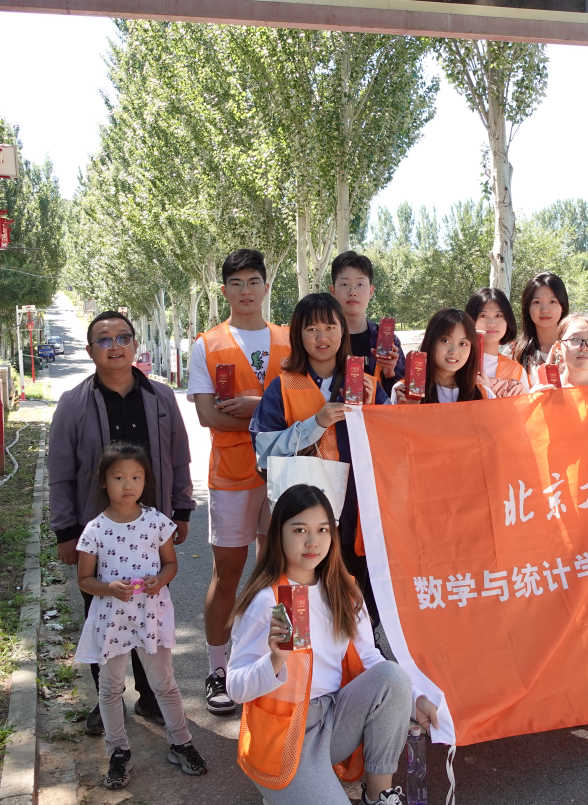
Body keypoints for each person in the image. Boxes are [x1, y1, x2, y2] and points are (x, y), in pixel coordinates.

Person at [227, 484, 436, 805]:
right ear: (278, 534)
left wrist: (414, 701)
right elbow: (235, 687)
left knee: (393, 677)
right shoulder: (269, 600)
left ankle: (378, 796)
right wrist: (274, 661)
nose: (312, 541)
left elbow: (370, 658)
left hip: (334, 719)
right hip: (282, 740)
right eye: (299, 530)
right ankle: (290, 789)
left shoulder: (343, 590)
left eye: (322, 529)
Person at [49, 310, 193, 735]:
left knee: (150, 612)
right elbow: (60, 470)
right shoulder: (74, 403)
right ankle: (106, 699)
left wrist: (181, 509)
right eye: (104, 340)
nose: (115, 346)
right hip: (99, 530)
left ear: (134, 344)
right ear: (90, 350)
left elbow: (179, 456)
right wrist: (66, 531)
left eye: (123, 337)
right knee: (102, 616)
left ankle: (150, 696)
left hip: (151, 529)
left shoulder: (160, 397)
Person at [187, 249, 292, 716]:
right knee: (227, 573)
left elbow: (305, 405)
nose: (245, 291)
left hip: (283, 474)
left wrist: (257, 406)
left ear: (267, 286)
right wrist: (269, 414)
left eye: (253, 282)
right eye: (236, 283)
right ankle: (217, 668)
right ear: (224, 290)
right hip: (231, 475)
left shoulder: (290, 339)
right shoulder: (207, 344)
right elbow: (208, 415)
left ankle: (276, 664)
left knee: (278, 570)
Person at [75, 444, 208, 788]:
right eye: (119, 477)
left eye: (136, 477)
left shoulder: (156, 521)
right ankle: (118, 750)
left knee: (164, 682)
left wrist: (160, 580)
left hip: (151, 616)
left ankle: (181, 742)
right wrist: (108, 588)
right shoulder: (95, 529)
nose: (128, 484)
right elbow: (84, 580)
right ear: (103, 481)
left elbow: (170, 564)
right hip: (112, 621)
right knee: (110, 688)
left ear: (145, 480)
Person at [250, 293, 389, 621]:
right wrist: (316, 423)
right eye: (311, 328)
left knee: (358, 594)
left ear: (343, 331)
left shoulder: (367, 384)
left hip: (358, 509)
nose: (321, 336)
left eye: (330, 326)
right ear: (298, 335)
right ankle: (297, 649)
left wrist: (379, 409)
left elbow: (396, 445)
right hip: (303, 513)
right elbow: (264, 455)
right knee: (301, 593)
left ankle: (359, 645)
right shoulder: (283, 387)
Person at [330, 251, 405, 389]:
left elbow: (401, 395)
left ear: (371, 291)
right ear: (333, 291)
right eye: (345, 284)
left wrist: (390, 374)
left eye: (360, 285)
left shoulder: (388, 341)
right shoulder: (324, 338)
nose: (353, 292)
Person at [391, 308, 494, 404]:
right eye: (446, 341)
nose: (454, 351)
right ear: (430, 341)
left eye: (463, 343)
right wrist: (410, 409)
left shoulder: (485, 395)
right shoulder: (404, 391)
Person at [510, 272, 570, 388]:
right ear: (528, 308)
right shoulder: (514, 353)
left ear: (563, 306)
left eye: (552, 302)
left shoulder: (576, 347)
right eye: (537, 302)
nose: (544, 309)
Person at [465, 287, 527, 398]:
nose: (491, 323)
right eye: (483, 316)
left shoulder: (516, 372)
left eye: (498, 316)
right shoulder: (458, 361)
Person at [530, 312, 588, 391]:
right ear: (559, 347)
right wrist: (534, 397)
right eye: (575, 339)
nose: (584, 347)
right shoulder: (546, 392)